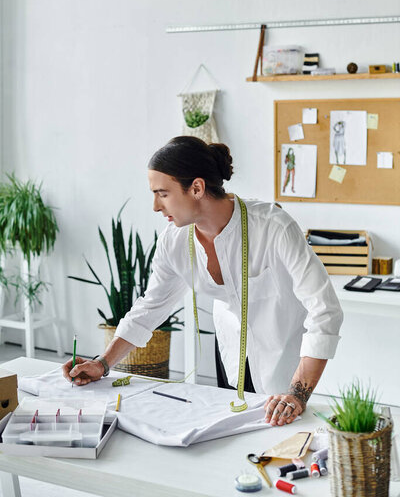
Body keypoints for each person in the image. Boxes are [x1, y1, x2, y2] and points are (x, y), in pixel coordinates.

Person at [63, 136, 343, 427]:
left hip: (283, 355)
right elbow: (151, 308)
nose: (156, 207)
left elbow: (325, 310)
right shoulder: (174, 241)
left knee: (280, 437)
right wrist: (102, 363)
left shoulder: (274, 227)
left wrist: (297, 394)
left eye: (163, 194)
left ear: (196, 188)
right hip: (231, 353)